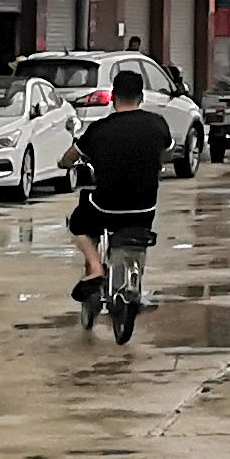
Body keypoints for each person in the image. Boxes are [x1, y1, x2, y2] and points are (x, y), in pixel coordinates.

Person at [63, 63, 177, 342]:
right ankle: (133, 283)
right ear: (142, 96)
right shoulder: (157, 124)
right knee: (138, 235)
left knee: (78, 223)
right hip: (144, 207)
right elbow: (168, 152)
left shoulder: (99, 129)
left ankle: (95, 266)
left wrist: (64, 163)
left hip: (106, 207)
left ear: (113, 97)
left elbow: (70, 157)